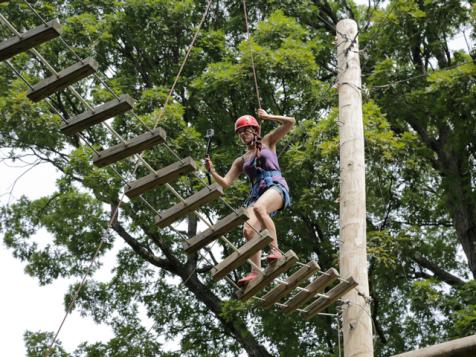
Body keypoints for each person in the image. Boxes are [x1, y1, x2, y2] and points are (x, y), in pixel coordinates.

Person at [205, 109, 295, 285]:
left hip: (276, 186)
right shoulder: (241, 160)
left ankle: (275, 250)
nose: (243, 134)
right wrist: (212, 171)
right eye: (240, 132)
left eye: (246, 130)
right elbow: (225, 183)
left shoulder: (268, 141)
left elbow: (290, 122)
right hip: (257, 193)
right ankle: (255, 271)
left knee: (259, 208)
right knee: (248, 230)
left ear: (255, 130)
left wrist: (268, 117)